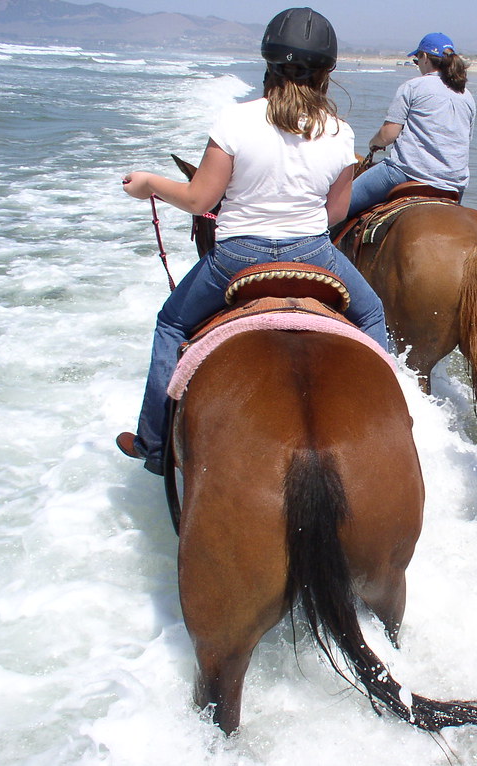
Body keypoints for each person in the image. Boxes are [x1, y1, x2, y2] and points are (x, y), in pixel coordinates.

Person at [116, 7, 387, 475]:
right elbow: (338, 212)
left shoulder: (236, 119)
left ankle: (156, 446)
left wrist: (150, 183)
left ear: (270, 65)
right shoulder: (340, 132)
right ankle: (391, 423)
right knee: (372, 314)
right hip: (314, 253)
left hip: (236, 258)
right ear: (326, 74)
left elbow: (202, 198)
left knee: (171, 326)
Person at [346, 32, 475, 217]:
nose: (418, 65)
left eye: (416, 60)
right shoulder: (466, 95)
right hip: (454, 185)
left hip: (407, 173)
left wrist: (374, 144)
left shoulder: (414, 87)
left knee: (338, 206)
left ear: (424, 57)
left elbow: (388, 134)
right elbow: (464, 139)